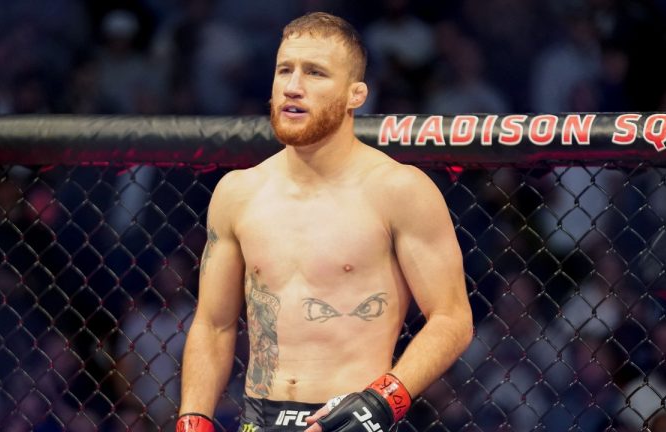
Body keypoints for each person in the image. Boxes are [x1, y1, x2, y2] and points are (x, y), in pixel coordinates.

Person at [177, 12, 473, 432]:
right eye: (285, 70)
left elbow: (452, 317)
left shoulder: (399, 190)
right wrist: (194, 419)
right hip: (258, 418)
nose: (293, 87)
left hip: (353, 414)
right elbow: (213, 324)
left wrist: (379, 403)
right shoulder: (238, 192)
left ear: (356, 95)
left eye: (315, 73)